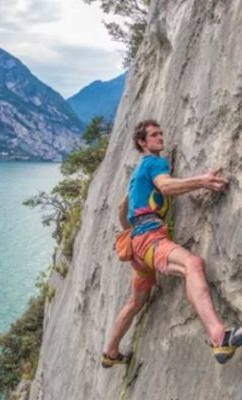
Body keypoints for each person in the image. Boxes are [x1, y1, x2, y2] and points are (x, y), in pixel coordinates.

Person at [102, 119, 238, 367]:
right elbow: (164, 186)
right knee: (193, 265)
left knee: (136, 302)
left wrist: (132, 233)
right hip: (150, 240)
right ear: (142, 142)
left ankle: (110, 353)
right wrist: (201, 181)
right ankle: (219, 336)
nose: (160, 138)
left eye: (161, 133)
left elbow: (122, 209)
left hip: (138, 248)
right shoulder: (155, 163)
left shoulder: (137, 175)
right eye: (154, 135)